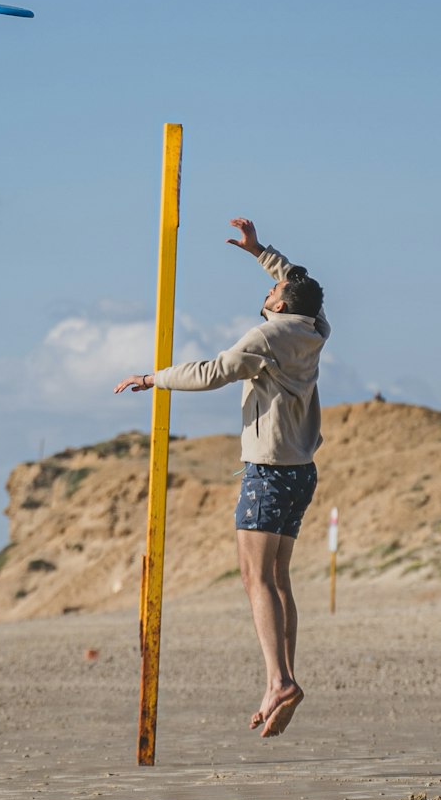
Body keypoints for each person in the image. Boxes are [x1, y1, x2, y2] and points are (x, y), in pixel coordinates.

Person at [115, 216, 329, 739]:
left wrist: (152, 378)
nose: (270, 289)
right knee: (279, 579)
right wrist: (262, 253)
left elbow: (212, 371)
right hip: (302, 471)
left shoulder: (267, 335)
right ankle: (282, 679)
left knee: (256, 579)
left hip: (268, 472)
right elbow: (301, 283)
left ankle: (278, 679)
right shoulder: (315, 328)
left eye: (272, 288)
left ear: (278, 304)